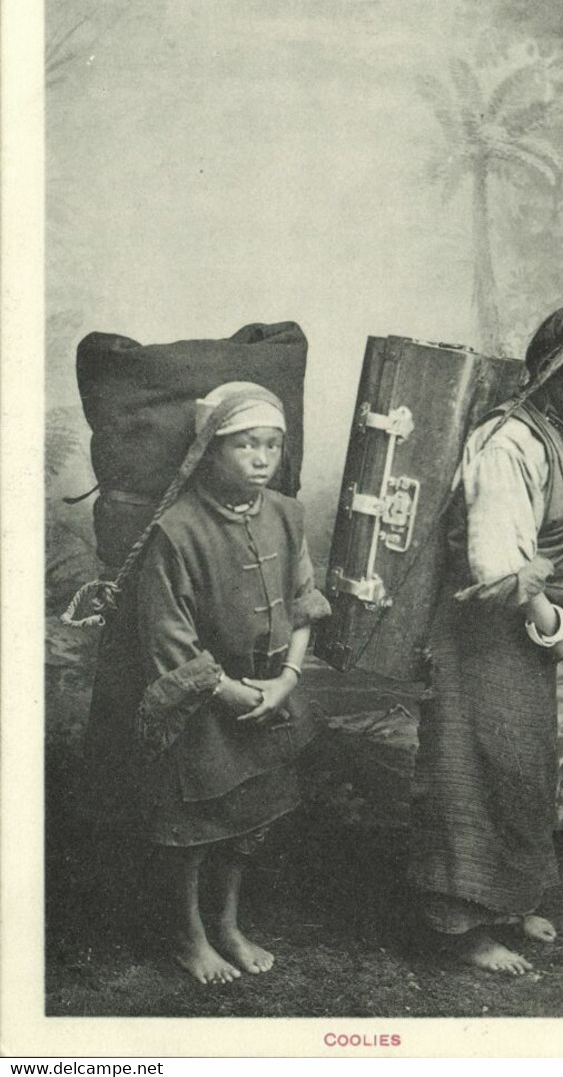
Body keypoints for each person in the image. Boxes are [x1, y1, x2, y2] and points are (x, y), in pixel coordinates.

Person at [83, 381, 330, 985]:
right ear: (209, 451)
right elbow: (169, 640)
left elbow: (304, 604)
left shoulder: (287, 516)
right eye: (246, 445)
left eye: (273, 445)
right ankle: (187, 935)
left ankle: (226, 924)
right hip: (206, 701)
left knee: (248, 819)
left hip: (270, 694)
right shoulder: (178, 530)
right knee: (193, 828)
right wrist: (231, 692)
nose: (262, 458)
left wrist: (287, 680)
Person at [408, 304, 563, 975]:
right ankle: (460, 926)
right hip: (481, 636)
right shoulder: (508, 441)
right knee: (470, 772)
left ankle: (505, 902)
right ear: (550, 372)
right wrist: (556, 627)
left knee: (522, 770)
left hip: (524, 641)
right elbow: (498, 564)